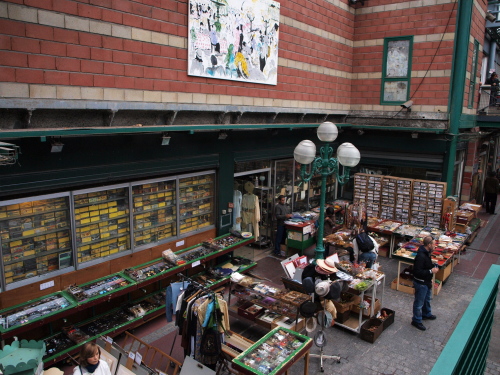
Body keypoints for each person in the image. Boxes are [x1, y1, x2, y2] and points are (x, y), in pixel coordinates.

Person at [411, 236, 439, 331]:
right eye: (434, 244)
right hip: (421, 283)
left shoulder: (426, 253)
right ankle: (416, 320)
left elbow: (426, 267)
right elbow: (417, 272)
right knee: (419, 303)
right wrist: (431, 271)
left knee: (427, 300)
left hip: (426, 281)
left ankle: (426, 314)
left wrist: (429, 275)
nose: (435, 246)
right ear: (429, 245)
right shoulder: (421, 256)